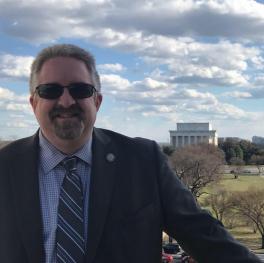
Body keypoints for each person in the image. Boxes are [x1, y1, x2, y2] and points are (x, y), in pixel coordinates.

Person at [0, 44, 261, 263]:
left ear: (97, 101)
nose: (66, 101)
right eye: (50, 90)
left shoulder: (143, 160)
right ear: (33, 103)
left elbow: (206, 236)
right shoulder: (5, 166)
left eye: (81, 90)